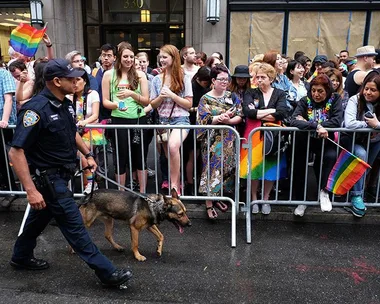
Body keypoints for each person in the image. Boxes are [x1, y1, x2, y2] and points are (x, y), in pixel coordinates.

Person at [8, 58, 132, 287]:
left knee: (37, 221)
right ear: (56, 81)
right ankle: (108, 273)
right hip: (48, 180)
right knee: (76, 227)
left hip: (61, 176)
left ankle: (20, 257)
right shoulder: (36, 109)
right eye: (71, 78)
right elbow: (16, 152)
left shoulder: (63, 103)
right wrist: (31, 191)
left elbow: (71, 132)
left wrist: (88, 155)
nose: (77, 81)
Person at [290, 74, 343, 217]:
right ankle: (301, 200)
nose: (316, 94)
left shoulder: (335, 99)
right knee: (299, 165)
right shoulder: (304, 100)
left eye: (320, 91)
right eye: (313, 90)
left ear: (327, 90)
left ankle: (324, 192)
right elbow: (294, 120)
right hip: (304, 141)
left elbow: (337, 120)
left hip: (326, 141)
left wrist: (308, 123)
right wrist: (315, 126)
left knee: (330, 157)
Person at [240, 63, 289, 215]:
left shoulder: (280, 93)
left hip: (273, 137)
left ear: (271, 78)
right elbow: (248, 112)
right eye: (257, 77)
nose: (259, 80)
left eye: (263, 77)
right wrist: (270, 111)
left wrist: (259, 113)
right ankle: (254, 198)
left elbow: (282, 112)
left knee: (270, 168)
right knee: (253, 168)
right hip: (253, 135)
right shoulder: (250, 92)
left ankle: (266, 198)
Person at [102, 42, 150, 193]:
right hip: (119, 120)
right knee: (121, 158)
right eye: (125, 56)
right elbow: (105, 102)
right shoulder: (109, 75)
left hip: (138, 120)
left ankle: (142, 193)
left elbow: (146, 101)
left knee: (140, 157)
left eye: (131, 57)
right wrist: (116, 105)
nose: (128, 60)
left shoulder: (140, 75)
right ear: (119, 58)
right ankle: (121, 194)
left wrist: (132, 94)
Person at [197, 64, 242, 220]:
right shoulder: (205, 98)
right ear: (213, 80)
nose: (224, 82)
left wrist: (228, 121)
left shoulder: (233, 96)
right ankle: (208, 204)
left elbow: (240, 115)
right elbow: (202, 120)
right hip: (212, 142)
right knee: (211, 171)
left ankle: (219, 198)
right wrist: (218, 119)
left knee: (227, 170)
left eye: (226, 79)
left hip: (229, 140)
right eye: (221, 79)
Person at [150, 44, 193, 194]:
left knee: (174, 146)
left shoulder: (184, 77)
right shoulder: (156, 79)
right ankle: (176, 182)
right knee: (170, 155)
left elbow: (189, 104)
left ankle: (175, 186)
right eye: (160, 57)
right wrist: (161, 97)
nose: (161, 60)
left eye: (165, 57)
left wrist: (172, 95)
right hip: (163, 121)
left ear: (173, 58)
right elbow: (153, 104)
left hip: (181, 119)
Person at [343, 71, 380, 217]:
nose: (368, 92)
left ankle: (356, 194)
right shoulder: (355, 99)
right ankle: (357, 195)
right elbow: (349, 124)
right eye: (366, 88)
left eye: (373, 90)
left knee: (365, 169)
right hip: (354, 139)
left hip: (375, 141)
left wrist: (378, 124)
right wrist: (371, 125)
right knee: (361, 155)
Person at [68, 71, 103, 194]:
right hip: (75, 131)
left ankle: (90, 182)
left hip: (91, 129)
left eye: (77, 80)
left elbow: (95, 115)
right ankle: (89, 182)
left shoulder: (93, 94)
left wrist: (84, 122)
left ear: (85, 81)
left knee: (83, 152)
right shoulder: (69, 96)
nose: (74, 83)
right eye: (72, 80)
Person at [184, 66, 211, 195]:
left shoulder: (207, 88)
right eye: (206, 80)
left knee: (200, 155)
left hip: (201, 124)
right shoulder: (192, 87)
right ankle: (189, 183)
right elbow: (187, 106)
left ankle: (197, 181)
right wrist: (199, 109)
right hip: (192, 123)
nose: (208, 83)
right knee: (192, 154)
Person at [0, 67, 17, 208]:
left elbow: (8, 99)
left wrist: (4, 120)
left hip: (5, 125)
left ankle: (11, 190)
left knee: (5, 158)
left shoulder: (4, 74)